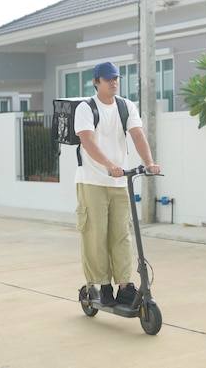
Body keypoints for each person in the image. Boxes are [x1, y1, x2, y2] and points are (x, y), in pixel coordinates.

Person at [74, 61, 160, 306]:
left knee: (122, 235)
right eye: (107, 79)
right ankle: (101, 286)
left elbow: (137, 135)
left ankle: (124, 285)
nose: (113, 82)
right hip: (92, 181)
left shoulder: (126, 106)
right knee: (96, 235)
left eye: (116, 78)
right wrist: (108, 165)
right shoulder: (86, 108)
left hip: (120, 183)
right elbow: (88, 141)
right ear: (96, 82)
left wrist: (150, 162)